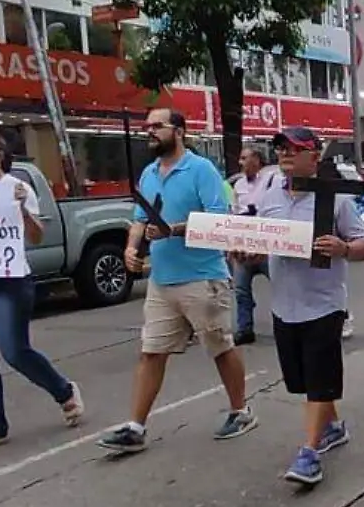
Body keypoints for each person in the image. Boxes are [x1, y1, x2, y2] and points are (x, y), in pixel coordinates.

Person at [98, 108, 256, 454]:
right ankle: (136, 427)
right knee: (151, 352)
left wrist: (175, 229)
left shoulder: (201, 170)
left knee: (220, 347)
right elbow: (139, 218)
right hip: (162, 280)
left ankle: (240, 410)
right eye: (147, 127)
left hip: (202, 277)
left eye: (158, 126)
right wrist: (130, 247)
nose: (150, 132)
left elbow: (218, 219)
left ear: (180, 131)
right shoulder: (150, 173)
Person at [250, 128, 364, 484]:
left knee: (320, 380)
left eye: (294, 148)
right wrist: (249, 254)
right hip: (284, 305)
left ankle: (308, 453)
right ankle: (333, 426)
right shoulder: (271, 194)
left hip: (324, 304)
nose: (284, 153)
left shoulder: (335, 200)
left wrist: (344, 249)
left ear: (314, 156)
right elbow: (263, 239)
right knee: (304, 381)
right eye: (280, 148)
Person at [0, 132, 84, 454]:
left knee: (14, 351)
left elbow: (36, 237)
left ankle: (64, 390)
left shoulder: (17, 188)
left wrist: (22, 209)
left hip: (8, 282)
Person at [230, 146, 283, 345]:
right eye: (240, 158)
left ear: (257, 159)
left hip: (266, 244)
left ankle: (285, 324)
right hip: (244, 243)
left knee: (281, 284)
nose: (241, 163)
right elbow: (234, 214)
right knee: (241, 290)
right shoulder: (238, 186)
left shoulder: (272, 181)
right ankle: (245, 329)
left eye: (245, 158)